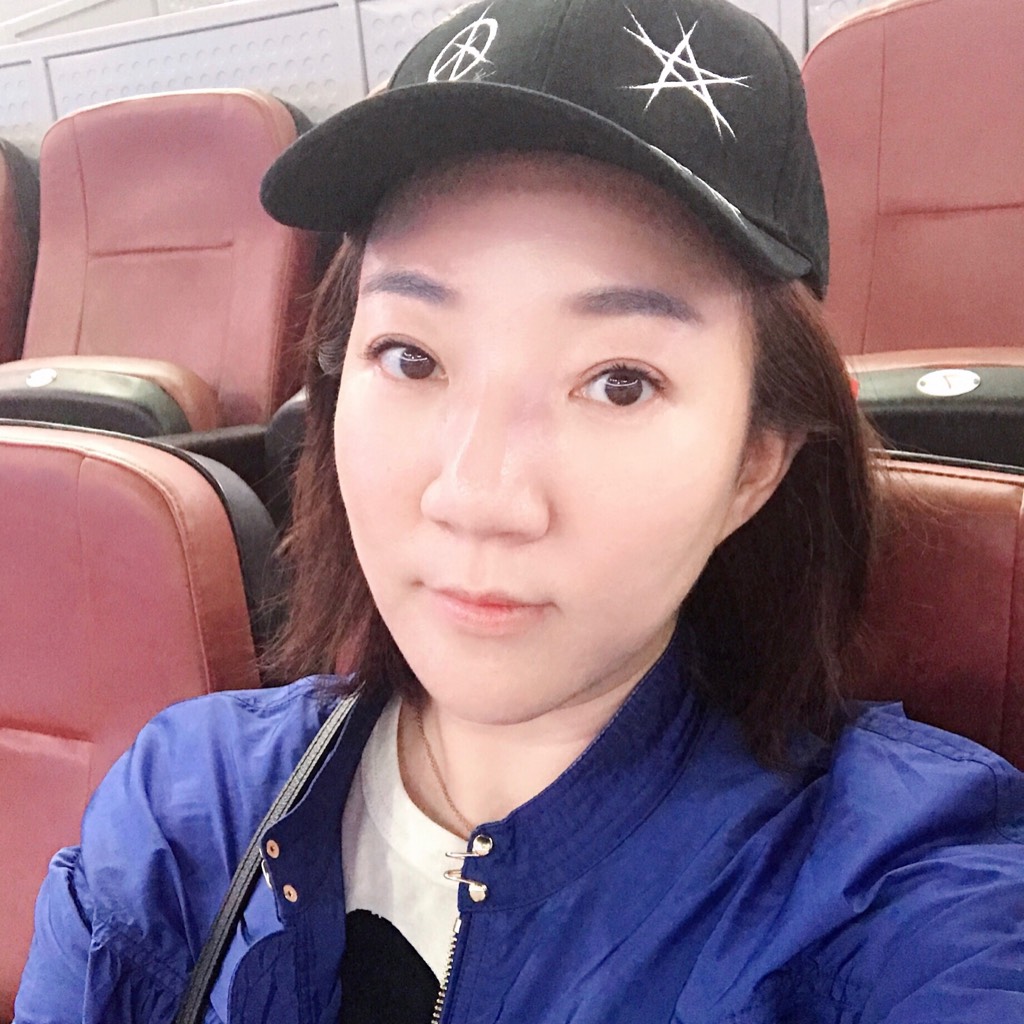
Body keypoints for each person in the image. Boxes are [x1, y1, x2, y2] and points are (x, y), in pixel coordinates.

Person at [14, 0, 1024, 1021]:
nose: (477, 496)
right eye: (411, 357)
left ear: (754, 463)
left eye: (619, 382)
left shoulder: (886, 889)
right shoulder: (184, 813)